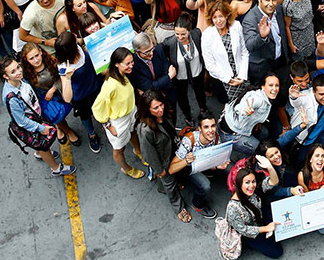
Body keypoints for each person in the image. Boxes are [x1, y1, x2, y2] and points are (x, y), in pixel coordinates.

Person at [0, 56, 75, 177]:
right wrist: (41, 128)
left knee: (40, 146)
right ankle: (56, 168)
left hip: (36, 116)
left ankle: (40, 153)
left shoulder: (20, 81)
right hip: (32, 124)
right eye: (13, 72)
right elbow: (21, 121)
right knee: (44, 147)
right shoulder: (11, 97)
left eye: (18, 67)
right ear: (6, 77)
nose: (18, 72)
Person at [137, 89, 193, 223]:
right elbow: (148, 154)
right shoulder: (145, 130)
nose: (160, 109)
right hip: (162, 160)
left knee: (172, 179)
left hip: (172, 151)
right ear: (147, 109)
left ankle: (162, 187)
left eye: (161, 105)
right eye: (155, 108)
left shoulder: (164, 115)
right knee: (170, 184)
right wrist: (159, 170)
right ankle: (179, 208)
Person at [92, 47, 146, 179]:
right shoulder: (110, 85)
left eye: (131, 62)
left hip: (130, 112)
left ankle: (137, 150)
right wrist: (108, 126)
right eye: (127, 64)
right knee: (119, 150)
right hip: (118, 121)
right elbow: (97, 108)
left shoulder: (122, 75)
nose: (131, 65)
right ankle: (127, 169)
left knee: (133, 132)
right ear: (116, 64)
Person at [168, 111, 228, 219]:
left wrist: (217, 166)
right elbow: (171, 169)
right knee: (205, 185)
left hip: (205, 163)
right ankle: (198, 204)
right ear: (199, 129)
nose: (211, 131)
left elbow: (215, 160)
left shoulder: (216, 138)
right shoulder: (189, 141)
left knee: (229, 167)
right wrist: (186, 161)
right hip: (190, 167)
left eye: (213, 126)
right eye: (206, 127)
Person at [55, 30, 104, 153]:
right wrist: (67, 78)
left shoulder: (80, 47)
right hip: (82, 97)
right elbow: (67, 98)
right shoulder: (64, 67)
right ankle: (91, 134)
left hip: (96, 86)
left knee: (102, 108)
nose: (76, 36)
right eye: (74, 38)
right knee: (85, 116)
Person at [226, 167, 282, 259]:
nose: (251, 186)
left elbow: (273, 182)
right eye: (247, 182)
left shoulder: (254, 189)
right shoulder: (233, 208)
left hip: (260, 217)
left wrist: (269, 167)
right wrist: (266, 228)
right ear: (239, 184)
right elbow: (243, 230)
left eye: (253, 181)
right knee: (277, 252)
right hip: (251, 232)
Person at [165, 14, 209, 125]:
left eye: (183, 34)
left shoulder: (197, 35)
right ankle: (188, 116)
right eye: (177, 34)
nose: (180, 37)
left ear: (189, 30)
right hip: (180, 76)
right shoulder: (169, 43)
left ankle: (203, 109)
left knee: (200, 92)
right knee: (182, 97)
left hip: (197, 72)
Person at [241, 0, 288, 85]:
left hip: (280, 61)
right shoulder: (250, 19)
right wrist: (262, 36)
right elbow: (249, 45)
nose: (271, 4)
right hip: (262, 67)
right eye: (267, 0)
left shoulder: (279, 9)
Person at [130, 30, 178, 123]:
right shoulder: (133, 64)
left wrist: (161, 81)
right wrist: (168, 77)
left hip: (168, 93)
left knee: (172, 117)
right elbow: (149, 86)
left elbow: (166, 68)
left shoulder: (158, 49)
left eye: (152, 49)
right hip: (151, 102)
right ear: (137, 52)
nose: (151, 53)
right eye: (146, 52)